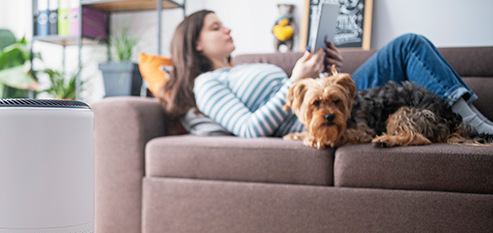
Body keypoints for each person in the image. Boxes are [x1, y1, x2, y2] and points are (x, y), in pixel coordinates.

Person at [161, 10, 493, 138]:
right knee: (407, 44)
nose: (227, 29)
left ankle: (469, 121)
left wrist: (324, 70)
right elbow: (248, 129)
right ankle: (476, 127)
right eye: (216, 27)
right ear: (196, 44)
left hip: (333, 99)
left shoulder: (242, 67)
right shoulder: (207, 84)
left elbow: (315, 95)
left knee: (409, 45)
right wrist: (294, 81)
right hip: (309, 120)